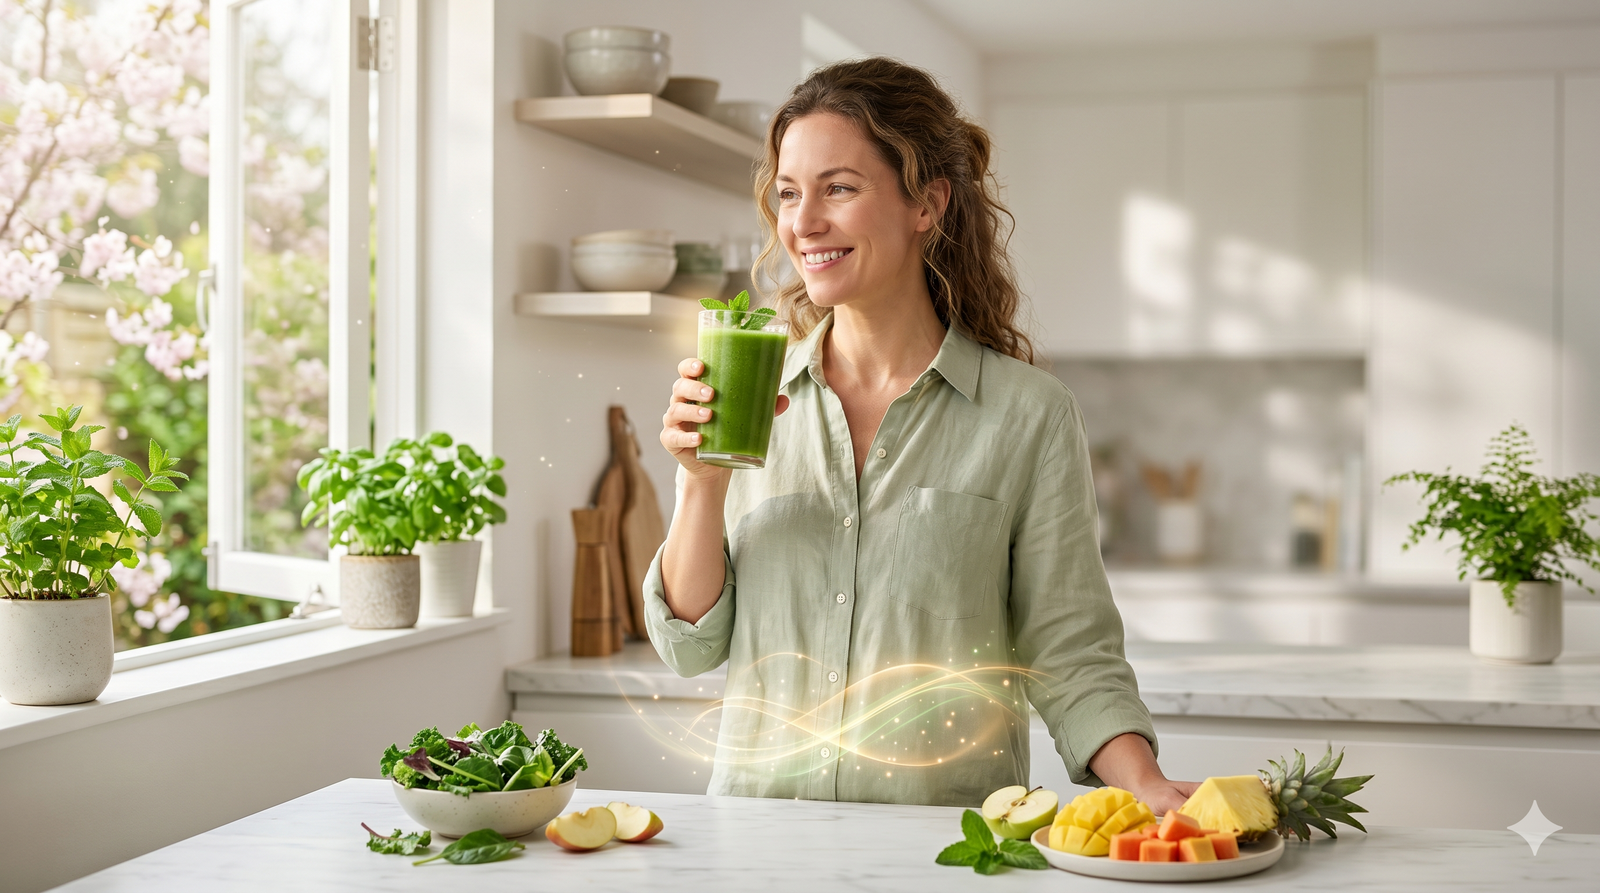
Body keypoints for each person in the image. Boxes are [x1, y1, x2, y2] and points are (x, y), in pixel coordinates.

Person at [645, 57, 1197, 813]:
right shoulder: (748, 396)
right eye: (789, 193)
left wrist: (1147, 784)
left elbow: (1071, 652)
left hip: (944, 848)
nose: (803, 223)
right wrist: (699, 481)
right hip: (756, 841)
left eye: (839, 188)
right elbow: (690, 645)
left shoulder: (1028, 415)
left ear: (927, 203)